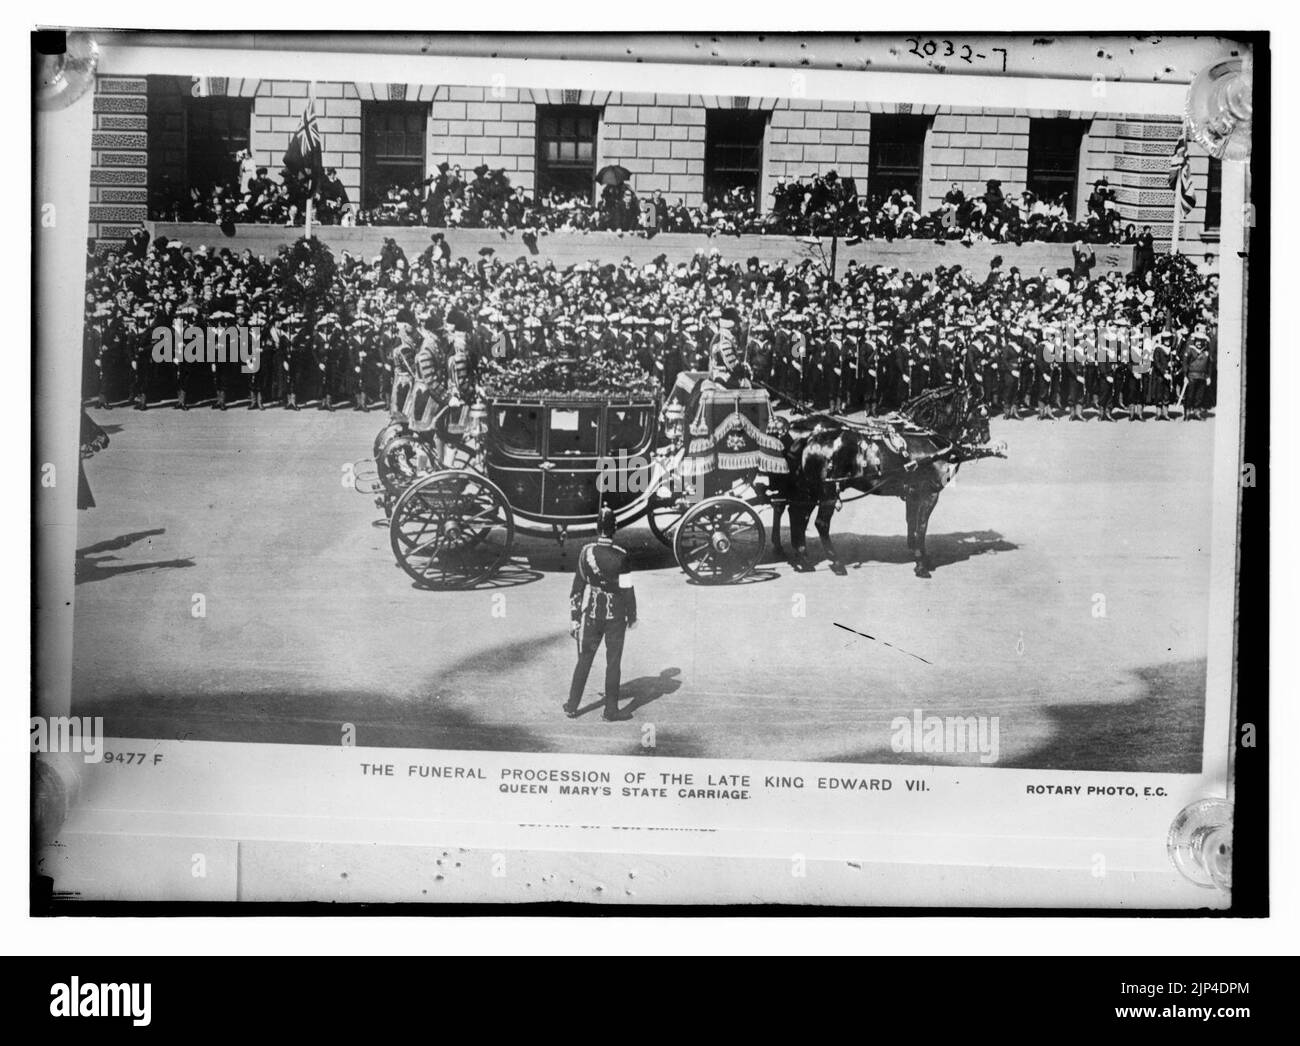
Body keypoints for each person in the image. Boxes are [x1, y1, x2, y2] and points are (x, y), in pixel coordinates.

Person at [565, 507, 637, 722]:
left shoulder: (586, 552)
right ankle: (610, 710)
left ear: (597, 528)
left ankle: (572, 705)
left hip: (592, 614)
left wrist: (575, 617)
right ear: (614, 528)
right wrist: (632, 615)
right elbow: (627, 590)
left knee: (584, 660)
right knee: (613, 663)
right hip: (616, 616)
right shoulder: (622, 555)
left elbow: (577, 588)